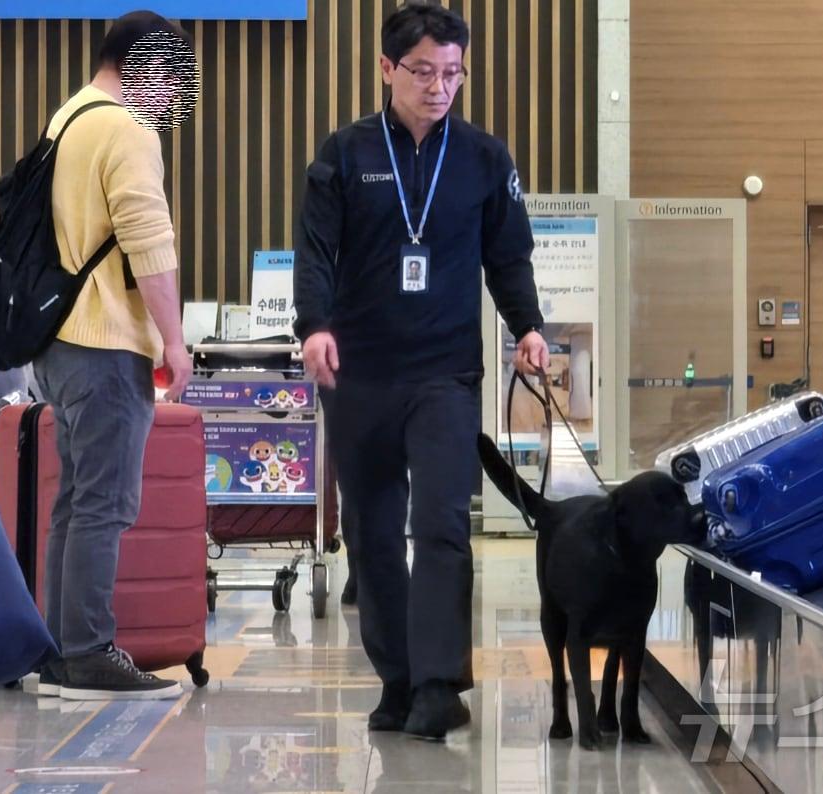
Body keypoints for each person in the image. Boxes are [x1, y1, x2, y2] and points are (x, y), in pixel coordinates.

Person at [295, 2, 549, 740]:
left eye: (453, 74)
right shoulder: (344, 154)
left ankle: (440, 683)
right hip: (361, 374)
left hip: (444, 373)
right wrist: (312, 327)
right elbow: (314, 252)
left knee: (440, 524)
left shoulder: (482, 159)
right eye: (423, 72)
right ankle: (398, 679)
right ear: (386, 69)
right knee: (372, 531)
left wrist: (527, 326)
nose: (439, 87)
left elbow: (508, 255)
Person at [31, 10, 194, 701]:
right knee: (105, 504)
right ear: (146, 67)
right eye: (170, 77)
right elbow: (148, 243)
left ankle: (63, 651)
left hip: (57, 344)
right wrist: (175, 341)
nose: (170, 96)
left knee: (75, 502)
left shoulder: (66, 118)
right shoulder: (126, 128)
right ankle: (90, 653)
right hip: (104, 343)